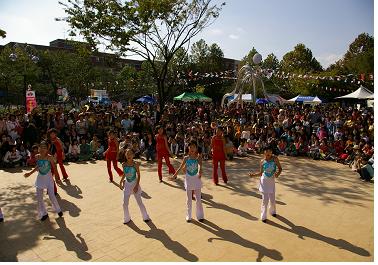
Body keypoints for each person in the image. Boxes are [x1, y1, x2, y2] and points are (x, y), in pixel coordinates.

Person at [24, 141, 63, 221]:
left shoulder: (50, 157)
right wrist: (30, 173)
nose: (42, 149)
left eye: (44, 147)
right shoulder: (37, 156)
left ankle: (58, 210)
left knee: (52, 196)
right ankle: (44, 213)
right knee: (39, 197)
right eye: (41, 147)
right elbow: (38, 166)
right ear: (38, 148)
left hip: (49, 179)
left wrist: (57, 178)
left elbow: (55, 168)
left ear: (47, 149)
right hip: (40, 179)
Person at [169, 141, 204, 223]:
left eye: (194, 147)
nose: (192, 149)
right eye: (190, 147)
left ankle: (200, 215)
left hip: (196, 180)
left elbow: (201, 167)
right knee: (189, 199)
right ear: (188, 148)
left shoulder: (198, 157)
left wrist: (200, 173)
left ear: (196, 148)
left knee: (198, 199)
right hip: (188, 179)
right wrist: (174, 176)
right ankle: (189, 215)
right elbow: (180, 168)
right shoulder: (186, 158)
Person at [249, 145, 282, 223]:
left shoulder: (275, 159)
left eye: (270, 151)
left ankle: (273, 211)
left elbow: (280, 169)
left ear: (271, 152)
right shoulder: (262, 161)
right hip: (264, 181)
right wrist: (253, 175)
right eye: (266, 151)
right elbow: (261, 173)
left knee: (272, 198)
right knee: (265, 200)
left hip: (271, 181)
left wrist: (277, 174)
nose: (268, 152)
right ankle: (263, 216)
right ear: (264, 152)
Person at [119, 149, 150, 224]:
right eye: (127, 154)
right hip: (127, 185)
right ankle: (127, 218)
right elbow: (125, 173)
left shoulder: (135, 164)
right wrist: (121, 182)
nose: (129, 155)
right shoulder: (124, 164)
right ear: (125, 155)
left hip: (134, 184)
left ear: (133, 155)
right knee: (124, 203)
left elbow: (139, 175)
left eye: (130, 154)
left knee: (139, 202)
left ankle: (145, 216)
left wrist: (136, 186)